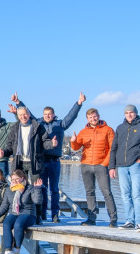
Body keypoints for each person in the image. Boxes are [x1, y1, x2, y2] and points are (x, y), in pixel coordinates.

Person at [12, 92, 85, 222]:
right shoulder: (38, 124)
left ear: (53, 114)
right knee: (42, 188)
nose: (47, 116)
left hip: (55, 161)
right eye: (45, 115)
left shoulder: (60, 125)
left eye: (49, 114)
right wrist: (18, 103)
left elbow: (71, 117)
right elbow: (26, 114)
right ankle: (43, 213)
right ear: (43, 115)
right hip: (40, 161)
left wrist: (78, 104)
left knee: (54, 189)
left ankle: (55, 214)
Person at [0, 105, 53, 223]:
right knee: (18, 187)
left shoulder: (37, 126)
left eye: (25, 114)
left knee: (37, 188)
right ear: (18, 116)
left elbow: (45, 142)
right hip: (20, 162)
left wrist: (52, 144)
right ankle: (18, 212)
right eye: (20, 115)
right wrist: (4, 152)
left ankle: (39, 216)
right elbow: (10, 146)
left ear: (29, 114)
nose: (23, 117)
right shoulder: (15, 128)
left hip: (34, 162)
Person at [109, 104, 140, 232]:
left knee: (137, 194)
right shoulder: (120, 128)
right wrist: (112, 167)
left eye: (131, 112)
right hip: (121, 166)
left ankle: (139, 223)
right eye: (126, 113)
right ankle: (129, 221)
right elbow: (114, 148)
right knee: (125, 195)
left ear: (136, 113)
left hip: (136, 165)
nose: (129, 115)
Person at [70, 108, 118, 227]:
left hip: (101, 165)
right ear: (87, 119)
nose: (93, 119)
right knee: (89, 192)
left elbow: (113, 148)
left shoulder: (108, 130)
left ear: (99, 116)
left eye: (95, 116)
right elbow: (76, 148)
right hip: (86, 165)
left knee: (106, 192)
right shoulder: (84, 131)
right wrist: (73, 141)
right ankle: (91, 218)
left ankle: (113, 219)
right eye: (90, 117)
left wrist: (105, 163)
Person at [0, 169, 43, 254]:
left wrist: (37, 189)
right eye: (13, 180)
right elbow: (4, 206)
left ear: (22, 178)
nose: (15, 181)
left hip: (28, 213)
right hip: (14, 213)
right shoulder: (9, 190)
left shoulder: (29, 188)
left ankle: (17, 248)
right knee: (7, 224)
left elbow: (38, 201)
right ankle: (8, 250)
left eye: (17, 179)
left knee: (18, 224)